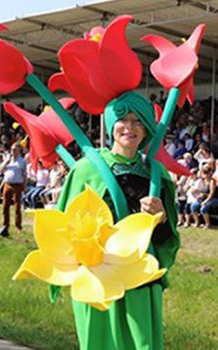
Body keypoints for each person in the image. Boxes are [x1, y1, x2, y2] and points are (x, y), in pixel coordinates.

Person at [55, 92, 179, 349]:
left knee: (142, 343)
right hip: (98, 277)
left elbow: (167, 238)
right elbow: (63, 229)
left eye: (138, 121)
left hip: (141, 276)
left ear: (146, 129)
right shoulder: (86, 170)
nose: (130, 128)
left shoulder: (157, 174)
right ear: (112, 126)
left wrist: (161, 217)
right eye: (123, 120)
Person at [0, 144, 26, 234]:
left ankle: (18, 226)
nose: (13, 151)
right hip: (7, 184)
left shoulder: (22, 161)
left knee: (17, 207)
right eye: (12, 149)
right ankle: (5, 225)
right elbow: (1, 169)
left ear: (19, 151)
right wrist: (6, 161)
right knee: (5, 206)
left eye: (15, 150)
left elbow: (25, 175)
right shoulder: (8, 160)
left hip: (17, 185)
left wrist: (24, 186)